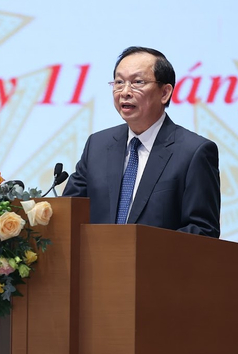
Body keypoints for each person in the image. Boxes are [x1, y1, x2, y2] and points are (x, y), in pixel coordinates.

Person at [62, 46, 220, 238]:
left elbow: (203, 230)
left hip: (156, 266)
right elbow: (68, 214)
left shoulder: (194, 152)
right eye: (119, 82)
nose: (125, 92)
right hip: (98, 266)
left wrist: (144, 251)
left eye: (137, 82)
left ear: (165, 93)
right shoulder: (97, 145)